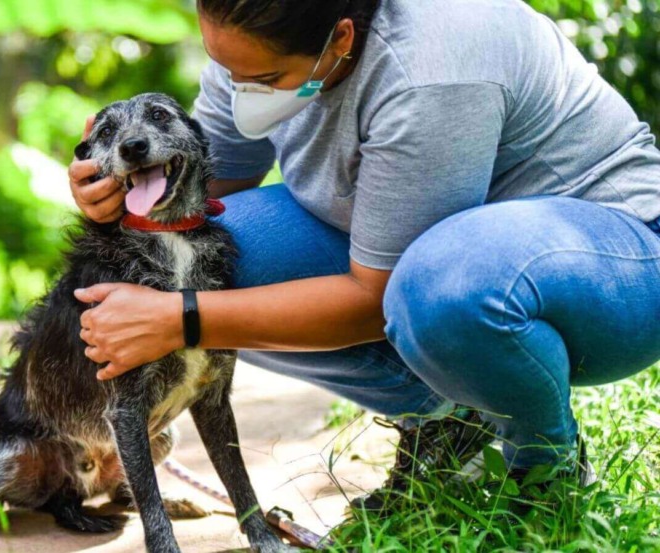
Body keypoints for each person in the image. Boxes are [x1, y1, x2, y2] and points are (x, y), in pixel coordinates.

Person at [67, 0, 660, 514]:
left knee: (439, 291)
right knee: (185, 261)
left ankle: (544, 468)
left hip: (609, 259)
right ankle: (454, 425)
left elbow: (375, 299)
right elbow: (198, 196)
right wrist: (116, 194)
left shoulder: (427, 71)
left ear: (341, 39)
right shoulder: (254, 36)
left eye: (264, 76)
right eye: (225, 68)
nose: (236, 87)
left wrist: (184, 320)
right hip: (431, 249)